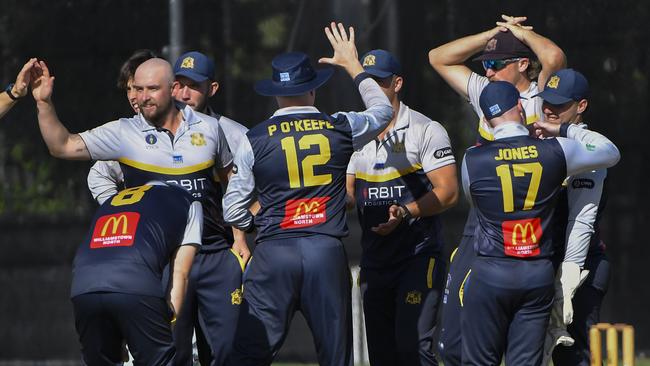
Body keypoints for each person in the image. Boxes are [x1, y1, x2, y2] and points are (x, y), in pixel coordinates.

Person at [221, 22, 393, 366]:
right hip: (324, 252)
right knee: (335, 355)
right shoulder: (339, 126)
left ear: (274, 93)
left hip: (274, 252)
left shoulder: (253, 138)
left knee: (248, 353)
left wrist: (258, 220)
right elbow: (383, 111)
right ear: (313, 90)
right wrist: (354, 66)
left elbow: (232, 210)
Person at [87, 50, 250, 366]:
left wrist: (239, 237)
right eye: (180, 85)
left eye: (195, 86)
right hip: (160, 261)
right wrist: (129, 222)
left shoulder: (228, 132)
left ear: (212, 89)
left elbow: (240, 188)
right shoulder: (137, 134)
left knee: (226, 350)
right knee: (169, 351)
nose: (184, 94)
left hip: (214, 255)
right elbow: (99, 176)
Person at [427, 15, 566, 365]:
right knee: (455, 340)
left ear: (523, 64)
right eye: (484, 65)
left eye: (494, 64)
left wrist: (521, 34)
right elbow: (438, 57)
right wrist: (492, 34)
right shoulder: (485, 93)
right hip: (485, 223)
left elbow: (553, 59)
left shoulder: (539, 97)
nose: (486, 72)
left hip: (532, 224)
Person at [459, 81, 619, 365]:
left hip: (492, 270)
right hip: (537, 273)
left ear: (486, 119)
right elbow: (610, 152)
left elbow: (475, 201)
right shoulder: (556, 150)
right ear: (521, 108)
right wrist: (565, 129)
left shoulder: (472, 159)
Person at [345, 49, 458, 366]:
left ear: (397, 83)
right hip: (375, 261)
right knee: (383, 356)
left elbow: (449, 193)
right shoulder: (355, 135)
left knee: (413, 349)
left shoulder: (426, 129)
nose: (372, 90)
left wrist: (407, 211)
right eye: (367, 82)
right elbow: (349, 193)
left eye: (379, 82)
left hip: (417, 257)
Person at [530, 69, 611, 366]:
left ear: (581, 106)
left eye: (560, 104)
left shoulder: (588, 148)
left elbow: (581, 219)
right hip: (540, 261)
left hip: (580, 267)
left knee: (573, 356)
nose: (550, 109)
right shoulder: (536, 137)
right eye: (546, 102)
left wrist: (568, 275)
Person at [70, 181, 202, 365]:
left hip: (83, 287)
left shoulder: (112, 201)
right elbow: (180, 273)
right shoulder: (189, 201)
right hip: (135, 283)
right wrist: (168, 322)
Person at [87, 49, 158, 204]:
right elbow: (98, 174)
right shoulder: (125, 132)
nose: (132, 96)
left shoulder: (207, 127)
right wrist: (115, 210)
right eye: (128, 89)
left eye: (138, 87)